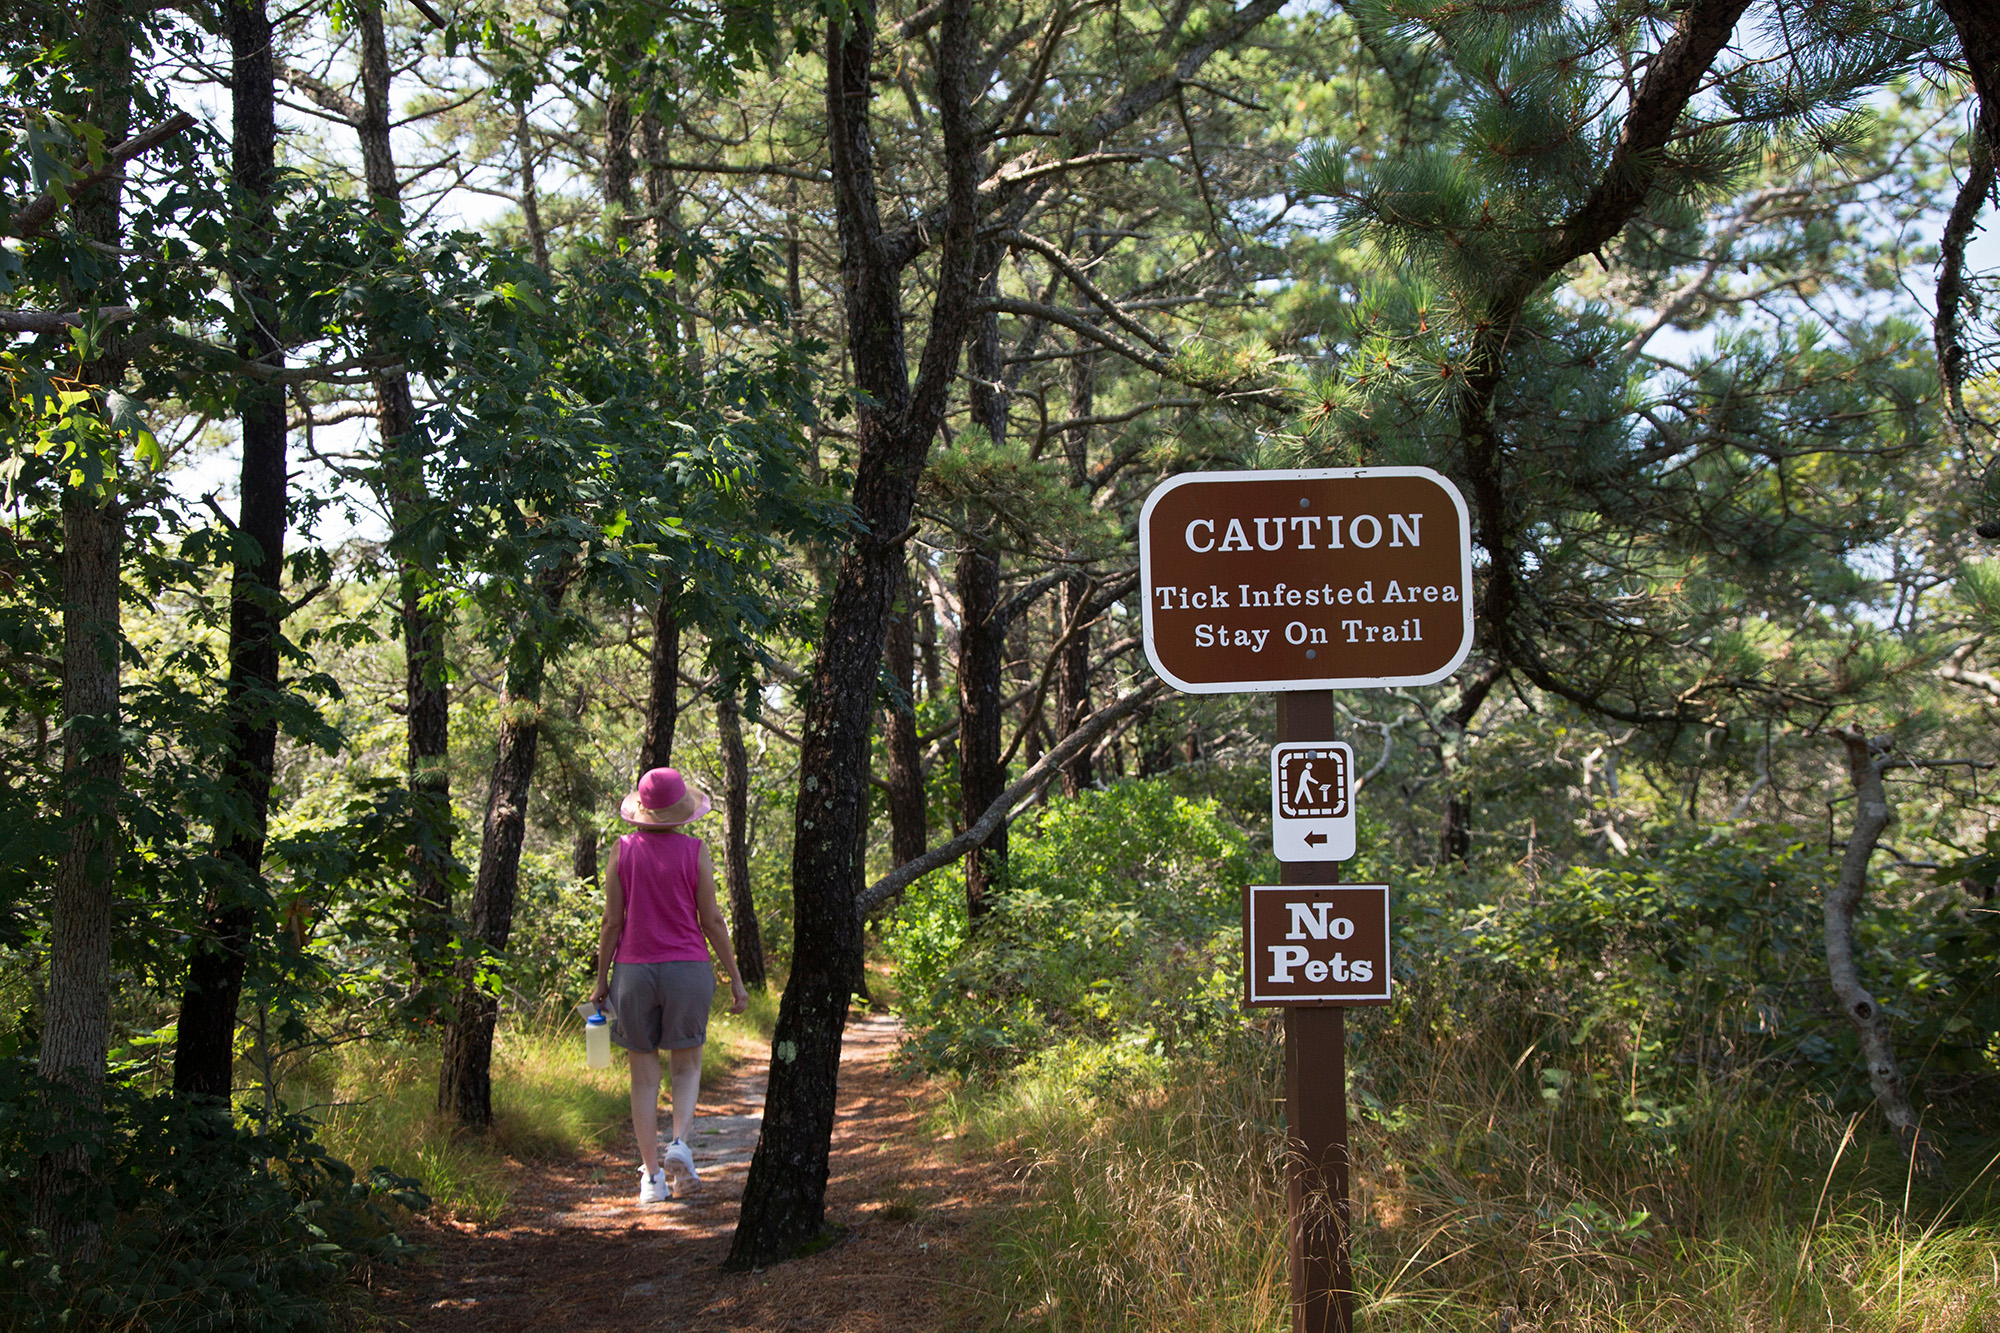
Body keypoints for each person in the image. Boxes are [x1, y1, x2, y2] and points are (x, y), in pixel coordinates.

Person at [590, 766, 750, 1205]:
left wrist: (602, 980)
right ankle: (679, 1142)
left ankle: (651, 1179)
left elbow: (611, 922)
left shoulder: (621, 852)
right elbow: (712, 922)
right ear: (680, 811)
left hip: (633, 972)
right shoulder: (694, 851)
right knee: (686, 1067)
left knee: (642, 1079)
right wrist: (736, 980)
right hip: (688, 969)